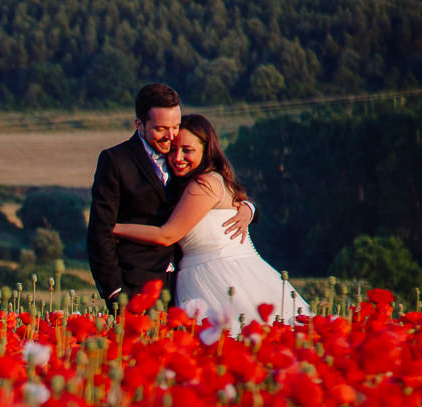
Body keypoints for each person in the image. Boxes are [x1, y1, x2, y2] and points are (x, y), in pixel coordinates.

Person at [111, 115, 305, 335]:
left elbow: (167, 235)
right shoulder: (194, 182)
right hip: (204, 273)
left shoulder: (204, 183)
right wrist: (249, 208)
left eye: (187, 150)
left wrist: (113, 228)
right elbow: (241, 200)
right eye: (173, 149)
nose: (177, 157)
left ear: (206, 149)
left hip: (221, 276)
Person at [87, 83, 254, 311]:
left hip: (186, 286)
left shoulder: (182, 156)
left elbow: (221, 189)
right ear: (140, 125)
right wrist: (115, 292)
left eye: (175, 126)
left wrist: (248, 208)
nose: (170, 136)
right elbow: (99, 233)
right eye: (161, 129)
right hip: (135, 287)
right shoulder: (115, 161)